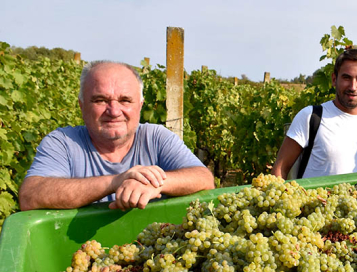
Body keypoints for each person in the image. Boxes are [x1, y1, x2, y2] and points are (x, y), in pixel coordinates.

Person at [19, 61, 214, 211]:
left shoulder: (155, 137)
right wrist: (116, 181)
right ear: (81, 105)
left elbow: (204, 179)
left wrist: (155, 184)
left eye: (125, 100)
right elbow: (31, 195)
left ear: (140, 105)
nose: (114, 111)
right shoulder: (62, 142)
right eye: (100, 100)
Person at [271, 47, 357, 179]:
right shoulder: (311, 117)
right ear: (334, 79)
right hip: (315, 200)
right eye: (346, 77)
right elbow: (280, 170)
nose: (352, 86)